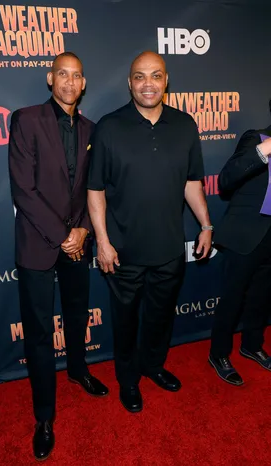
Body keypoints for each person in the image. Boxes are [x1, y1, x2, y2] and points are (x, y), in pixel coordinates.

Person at [87, 51, 212, 413]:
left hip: (170, 248)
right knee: (125, 321)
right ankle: (128, 380)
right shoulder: (109, 127)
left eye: (155, 76)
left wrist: (206, 225)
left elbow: (192, 182)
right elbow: (95, 189)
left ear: (166, 80)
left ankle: (154, 366)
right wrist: (103, 242)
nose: (147, 84)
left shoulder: (185, 125)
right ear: (129, 83)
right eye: (139, 77)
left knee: (160, 317)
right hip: (123, 251)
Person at [9, 52, 108, 461]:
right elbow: (23, 190)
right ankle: (44, 416)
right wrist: (63, 234)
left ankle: (79, 369)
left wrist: (83, 230)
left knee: (77, 311)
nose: (69, 82)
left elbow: (93, 186)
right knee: (37, 332)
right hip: (38, 242)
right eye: (62, 74)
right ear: (50, 78)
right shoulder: (27, 119)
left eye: (76, 76)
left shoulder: (91, 128)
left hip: (77, 241)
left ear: (84, 83)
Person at [209, 113, 271, 385]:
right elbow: (225, 181)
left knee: (262, 297)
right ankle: (219, 354)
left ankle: (252, 344)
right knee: (232, 299)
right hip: (245, 234)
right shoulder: (256, 138)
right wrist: (263, 151)